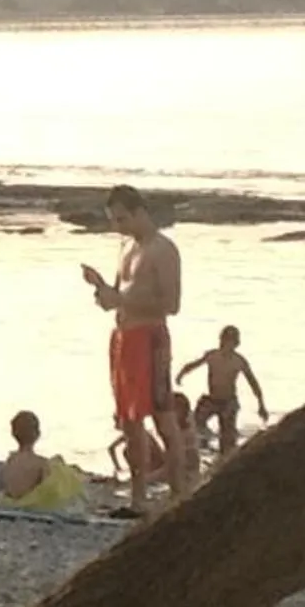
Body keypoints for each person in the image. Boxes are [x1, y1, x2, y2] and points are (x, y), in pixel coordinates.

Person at [83, 183, 184, 512]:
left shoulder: (163, 249)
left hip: (150, 336)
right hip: (124, 336)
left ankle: (179, 494)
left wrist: (121, 299)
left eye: (122, 219)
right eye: (114, 220)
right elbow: (118, 294)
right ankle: (138, 497)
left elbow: (171, 303)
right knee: (129, 419)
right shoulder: (126, 247)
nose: (118, 227)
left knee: (161, 415)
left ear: (140, 212)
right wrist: (102, 290)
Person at [178, 324, 268, 453]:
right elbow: (193, 365)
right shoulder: (212, 356)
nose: (226, 345)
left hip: (229, 402)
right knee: (195, 423)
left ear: (236, 343)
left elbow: (253, 383)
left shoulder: (239, 361)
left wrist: (261, 404)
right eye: (224, 340)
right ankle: (206, 443)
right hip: (211, 399)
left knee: (227, 440)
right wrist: (181, 375)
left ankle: (224, 449)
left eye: (230, 342)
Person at [0, 409, 49, 502]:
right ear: (38, 434)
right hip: (27, 509)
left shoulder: (10, 460)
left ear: (13, 433)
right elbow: (48, 490)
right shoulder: (40, 463)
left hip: (8, 506)